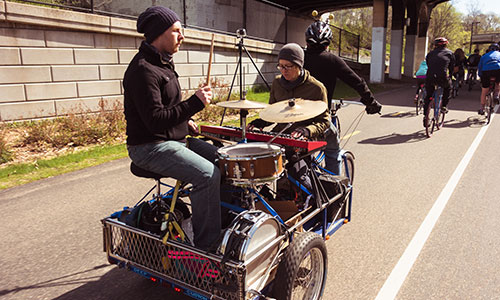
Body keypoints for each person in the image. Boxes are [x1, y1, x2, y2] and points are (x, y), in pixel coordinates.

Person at [123, 6, 220, 251]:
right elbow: (155, 120)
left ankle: (219, 223)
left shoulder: (163, 64)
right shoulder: (143, 70)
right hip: (149, 147)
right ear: (159, 33)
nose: (182, 36)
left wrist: (184, 121)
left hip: (171, 138)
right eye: (177, 31)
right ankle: (208, 251)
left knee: (224, 160)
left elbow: (167, 108)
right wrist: (194, 104)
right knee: (208, 175)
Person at [302, 20, 382, 175]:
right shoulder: (332, 60)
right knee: (332, 151)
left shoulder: (299, 58)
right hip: (318, 118)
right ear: (328, 43)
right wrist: (370, 102)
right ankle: (334, 190)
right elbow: (357, 82)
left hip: (292, 116)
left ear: (307, 41)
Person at [423, 37, 455, 127]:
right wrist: (451, 75)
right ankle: (444, 106)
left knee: (428, 96)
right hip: (442, 77)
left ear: (435, 45)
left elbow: (429, 64)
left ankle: (426, 115)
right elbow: (451, 67)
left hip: (430, 77)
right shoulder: (450, 53)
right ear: (446, 44)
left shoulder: (430, 54)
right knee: (448, 87)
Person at [477, 43, 500, 114]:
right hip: (497, 70)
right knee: (498, 83)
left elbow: (480, 67)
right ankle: (496, 94)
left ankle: (482, 108)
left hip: (486, 72)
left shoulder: (484, 56)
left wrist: (480, 75)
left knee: (484, 91)